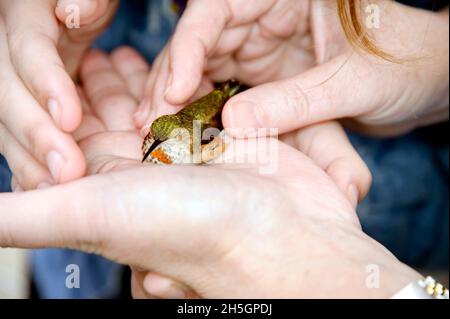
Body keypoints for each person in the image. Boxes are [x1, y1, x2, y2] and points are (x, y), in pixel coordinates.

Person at [0, 47, 422, 298]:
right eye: (153, 144)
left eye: (159, 145)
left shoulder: (202, 132)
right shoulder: (171, 132)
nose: (154, 151)